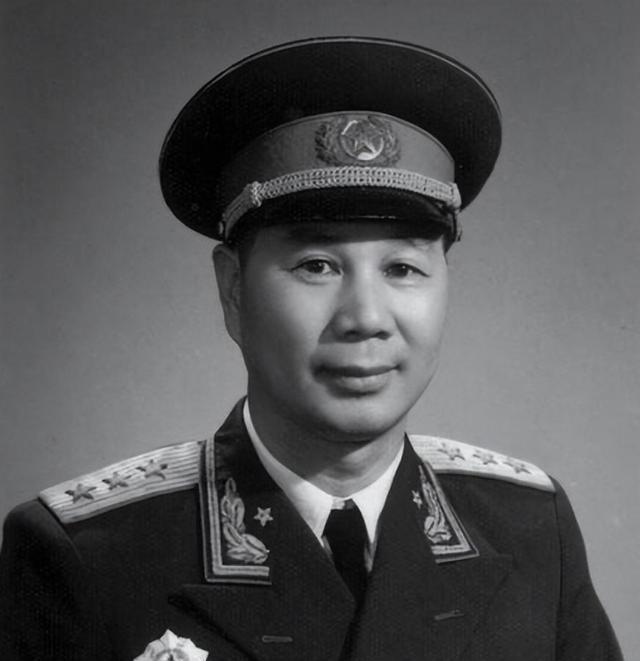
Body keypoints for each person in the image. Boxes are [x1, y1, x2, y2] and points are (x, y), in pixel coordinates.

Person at [0, 37, 622, 661]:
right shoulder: (87, 556)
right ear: (233, 289)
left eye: (403, 268)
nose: (366, 319)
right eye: (316, 265)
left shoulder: (531, 528)